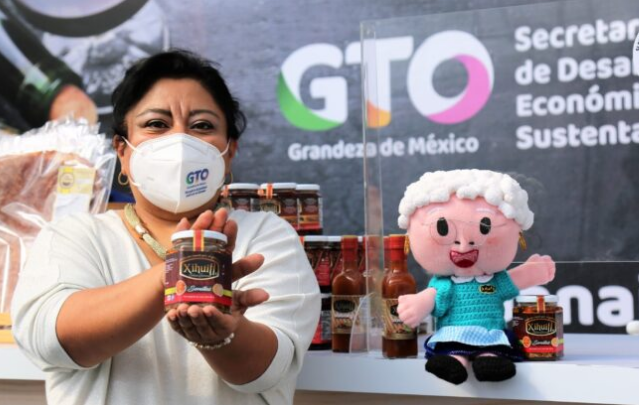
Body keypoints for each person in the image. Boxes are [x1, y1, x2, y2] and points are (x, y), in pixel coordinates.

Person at [11, 49, 320, 405]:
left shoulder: (267, 236)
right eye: (156, 124)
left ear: (229, 152)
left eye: (202, 126)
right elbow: (53, 342)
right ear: (122, 151)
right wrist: (178, 273)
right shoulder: (75, 236)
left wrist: (224, 337)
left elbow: (271, 368)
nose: (180, 141)